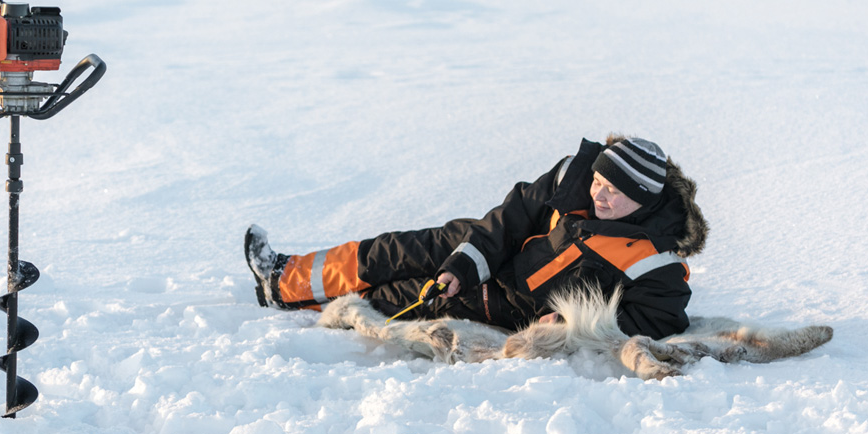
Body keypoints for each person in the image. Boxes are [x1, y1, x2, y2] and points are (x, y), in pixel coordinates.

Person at [244, 134, 708, 340]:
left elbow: (659, 320)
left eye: (615, 193)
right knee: (394, 250)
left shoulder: (656, 261)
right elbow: (515, 214)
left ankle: (315, 310)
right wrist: (466, 263)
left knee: (396, 295)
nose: (600, 196)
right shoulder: (575, 175)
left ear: (644, 200)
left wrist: (574, 327)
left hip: (512, 305)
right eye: (599, 184)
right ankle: (285, 280)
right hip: (490, 247)